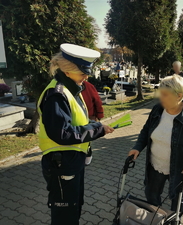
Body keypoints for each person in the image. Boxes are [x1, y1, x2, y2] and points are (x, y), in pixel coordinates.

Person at [37, 43, 114, 225]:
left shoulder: (71, 89)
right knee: (65, 217)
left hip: (71, 161)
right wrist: (97, 130)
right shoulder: (57, 95)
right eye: (83, 73)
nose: (86, 77)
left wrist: (98, 126)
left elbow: (77, 122)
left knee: (73, 210)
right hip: (61, 164)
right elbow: (62, 133)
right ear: (68, 70)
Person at [128, 75, 183, 221]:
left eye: (165, 94)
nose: (160, 97)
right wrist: (138, 147)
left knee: (178, 202)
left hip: (180, 169)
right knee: (152, 196)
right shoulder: (157, 110)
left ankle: (174, 221)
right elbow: (146, 131)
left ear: (179, 95)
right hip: (155, 166)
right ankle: (157, 220)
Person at [81, 80, 104, 165]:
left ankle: (88, 154)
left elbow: (97, 101)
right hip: (77, 117)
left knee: (87, 137)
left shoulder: (89, 86)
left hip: (89, 117)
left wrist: (100, 114)